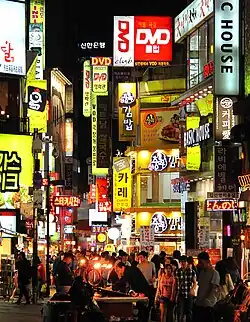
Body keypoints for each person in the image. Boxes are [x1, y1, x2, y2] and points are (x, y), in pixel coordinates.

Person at [193, 252, 220, 322]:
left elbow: (213, 288)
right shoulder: (202, 272)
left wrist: (207, 300)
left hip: (208, 306)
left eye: (201, 262)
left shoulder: (214, 273)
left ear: (208, 261)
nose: (199, 264)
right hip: (199, 304)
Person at [175, 255, 197, 322]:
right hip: (180, 294)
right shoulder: (177, 271)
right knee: (180, 312)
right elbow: (175, 283)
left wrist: (192, 289)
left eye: (184, 261)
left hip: (189, 294)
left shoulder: (191, 271)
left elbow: (194, 282)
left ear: (187, 262)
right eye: (181, 262)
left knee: (189, 312)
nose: (183, 263)